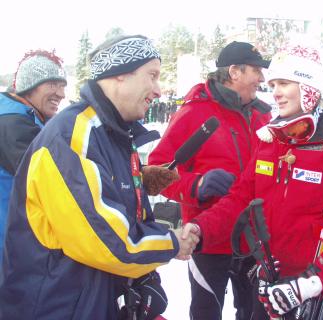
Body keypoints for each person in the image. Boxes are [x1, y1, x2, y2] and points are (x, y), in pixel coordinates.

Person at [0, 35, 199, 320]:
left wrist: (139, 180)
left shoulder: (113, 135)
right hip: (55, 306)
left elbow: (122, 209)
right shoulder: (72, 135)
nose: (158, 89)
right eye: (152, 75)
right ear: (119, 74)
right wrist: (172, 242)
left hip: (90, 299)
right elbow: (109, 241)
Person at [183, 44, 323, 319]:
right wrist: (200, 228)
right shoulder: (270, 141)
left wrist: (315, 281)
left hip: (315, 292)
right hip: (269, 287)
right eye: (273, 84)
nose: (275, 92)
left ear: (308, 87)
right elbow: (240, 200)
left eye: (284, 83)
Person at [148, 41, 272, 320]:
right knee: (207, 314)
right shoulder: (194, 113)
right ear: (234, 72)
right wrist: (197, 185)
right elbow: (156, 172)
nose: (262, 79)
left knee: (256, 313)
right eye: (256, 70)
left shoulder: (262, 115)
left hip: (255, 238)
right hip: (209, 238)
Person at [0, 49, 67, 260]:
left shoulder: (26, 118)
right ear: (29, 86)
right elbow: (51, 179)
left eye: (63, 86)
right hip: (10, 247)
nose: (61, 94)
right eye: (52, 84)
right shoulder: (13, 123)